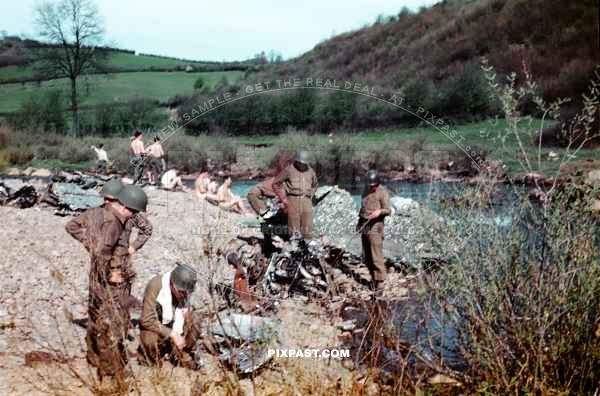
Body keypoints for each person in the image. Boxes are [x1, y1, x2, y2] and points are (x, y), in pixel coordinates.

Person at [65, 184, 146, 383]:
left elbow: (72, 226)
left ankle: (93, 358)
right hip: (109, 275)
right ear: (125, 207)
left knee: (95, 314)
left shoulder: (98, 212)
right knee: (113, 323)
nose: (132, 217)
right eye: (133, 212)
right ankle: (110, 370)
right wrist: (111, 273)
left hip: (97, 273)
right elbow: (103, 251)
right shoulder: (114, 223)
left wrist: (89, 243)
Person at [139, 263, 200, 369]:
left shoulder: (184, 291)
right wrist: (172, 334)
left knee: (195, 320)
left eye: (187, 293)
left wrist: (186, 320)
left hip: (173, 326)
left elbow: (184, 314)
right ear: (172, 284)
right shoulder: (156, 285)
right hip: (158, 327)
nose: (185, 296)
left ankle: (183, 350)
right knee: (149, 339)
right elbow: (146, 320)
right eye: (182, 293)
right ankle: (152, 357)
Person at [357, 169, 391, 292]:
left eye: (374, 186)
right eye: (370, 185)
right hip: (364, 224)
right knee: (367, 254)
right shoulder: (365, 190)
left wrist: (379, 212)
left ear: (377, 183)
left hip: (376, 225)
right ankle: (373, 279)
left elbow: (388, 210)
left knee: (376, 254)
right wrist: (359, 225)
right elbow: (363, 207)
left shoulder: (383, 192)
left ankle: (380, 282)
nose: (372, 187)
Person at [273, 150, 318, 240]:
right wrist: (284, 199)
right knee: (294, 226)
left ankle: (308, 245)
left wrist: (310, 196)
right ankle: (294, 246)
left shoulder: (310, 171)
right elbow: (276, 184)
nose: (303, 165)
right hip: (293, 199)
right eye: (301, 163)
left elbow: (315, 184)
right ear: (296, 161)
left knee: (308, 226)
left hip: (306, 200)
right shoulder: (289, 170)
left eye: (305, 163)